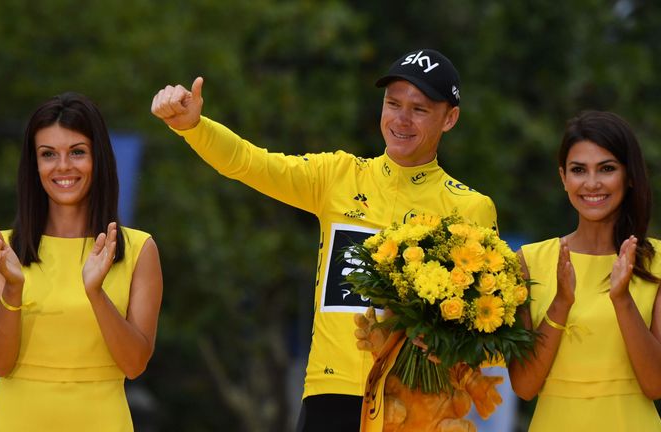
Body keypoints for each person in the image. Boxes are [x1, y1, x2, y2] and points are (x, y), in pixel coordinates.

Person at [151, 49, 498, 431]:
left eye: (419, 109)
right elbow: (250, 163)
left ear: (450, 118)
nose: (401, 119)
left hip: (418, 405)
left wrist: (446, 343)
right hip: (331, 394)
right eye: (393, 103)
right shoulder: (337, 176)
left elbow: (491, 334)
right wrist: (193, 126)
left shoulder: (471, 208)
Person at [0, 92, 163, 431]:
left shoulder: (140, 249)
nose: (63, 166)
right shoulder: (0, 250)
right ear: (34, 165)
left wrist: (96, 294)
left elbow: (134, 365)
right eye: (48, 154)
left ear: (99, 159)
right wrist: (13, 289)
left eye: (77, 152)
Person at [508, 110, 661, 431]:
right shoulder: (529, 260)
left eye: (606, 169)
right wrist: (561, 303)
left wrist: (622, 300)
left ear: (629, 176)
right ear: (563, 177)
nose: (592, 183)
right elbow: (524, 386)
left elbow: (658, 385)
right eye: (579, 170)